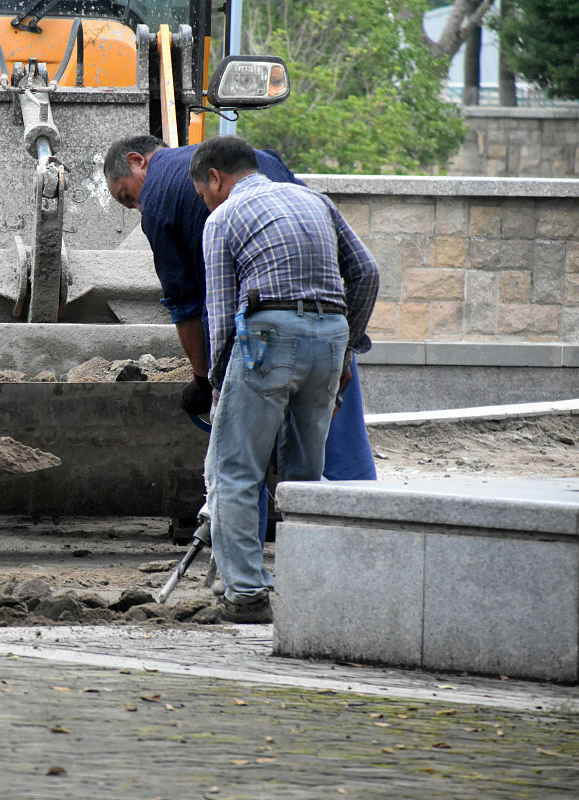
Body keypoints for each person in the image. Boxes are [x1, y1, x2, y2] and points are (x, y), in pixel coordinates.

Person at [190, 135, 379, 622]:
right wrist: (345, 351)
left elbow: (221, 313)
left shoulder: (222, 218)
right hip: (331, 334)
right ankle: (303, 588)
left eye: (203, 192)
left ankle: (246, 595)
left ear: (215, 178)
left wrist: (218, 385)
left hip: (267, 337)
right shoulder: (313, 199)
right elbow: (366, 274)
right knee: (303, 478)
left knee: (235, 471)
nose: (205, 202)